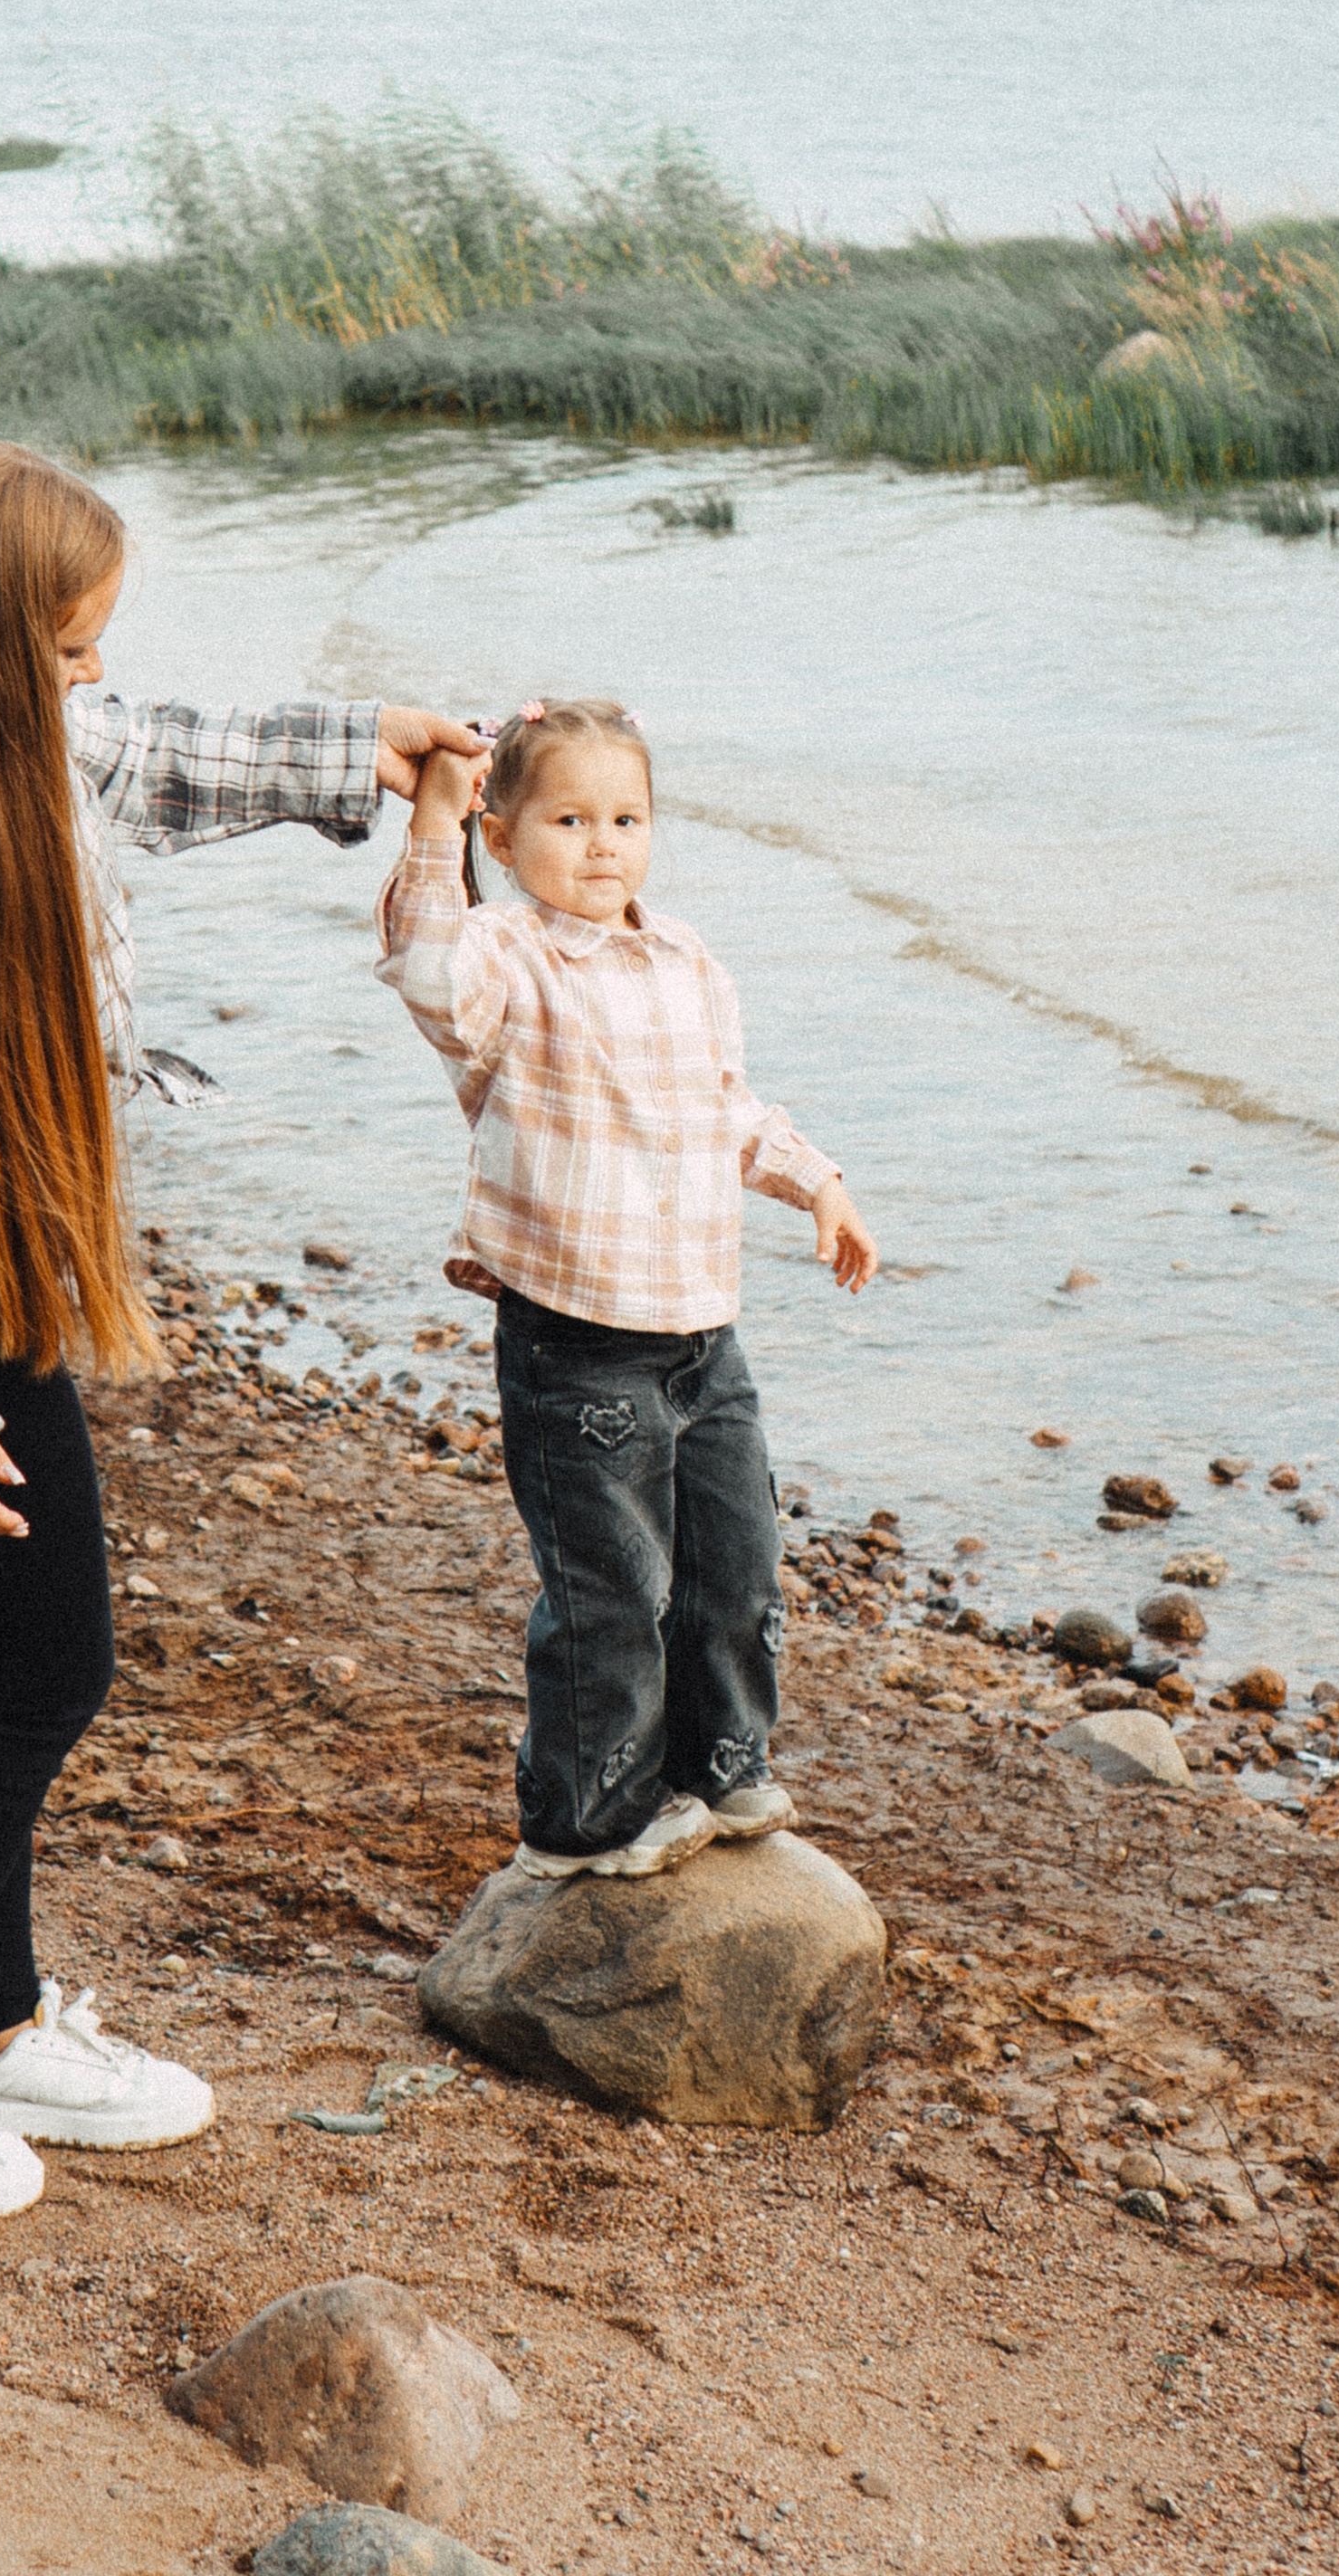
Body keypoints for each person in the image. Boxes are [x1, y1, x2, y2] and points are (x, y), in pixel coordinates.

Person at [0, 439, 476, 2220]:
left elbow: (154, 754)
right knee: (43, 1670)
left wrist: (371, 749)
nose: (91, 676)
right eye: (66, 646)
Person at [376, 697, 878, 1881]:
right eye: (567, 819)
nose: (603, 844)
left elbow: (726, 1110)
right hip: (576, 1339)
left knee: (734, 1566)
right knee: (614, 1595)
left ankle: (720, 1764)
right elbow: (425, 973)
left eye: (626, 818)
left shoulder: (686, 960)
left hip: (704, 1337)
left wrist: (819, 1183)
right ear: (503, 841)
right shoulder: (506, 957)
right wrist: (432, 830)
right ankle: (584, 1818)